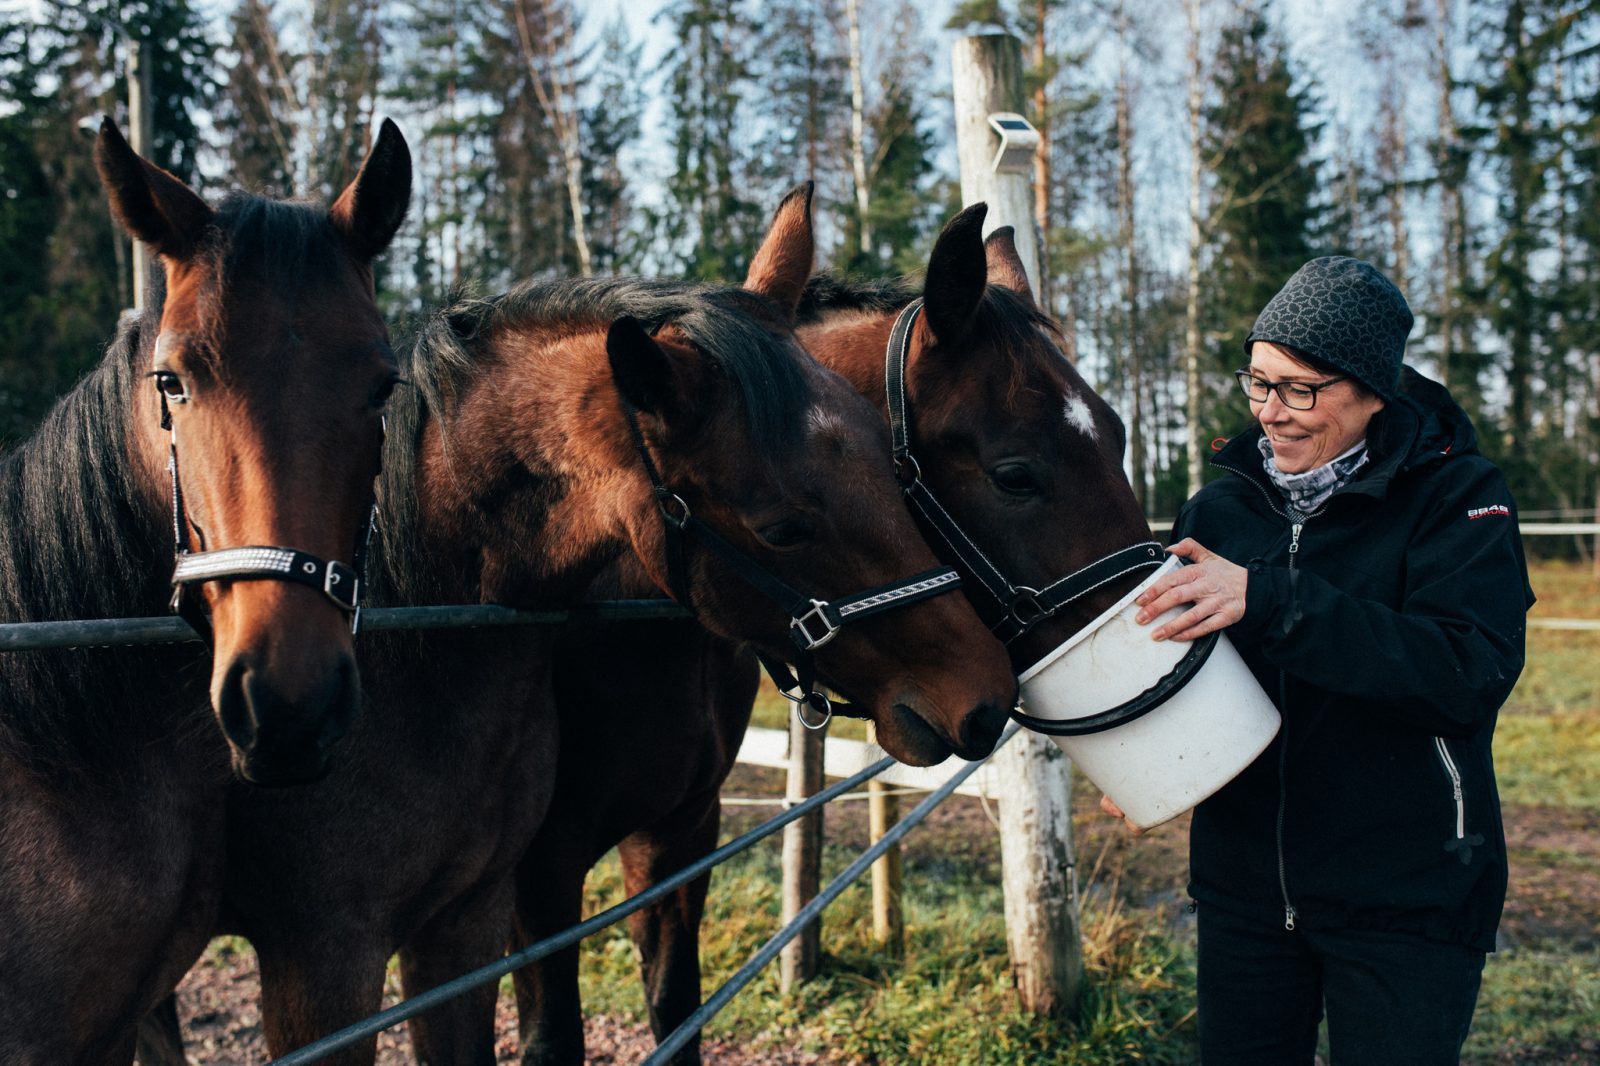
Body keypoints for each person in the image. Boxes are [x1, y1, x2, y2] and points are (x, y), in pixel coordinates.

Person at [1113, 256, 1534, 1065]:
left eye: (1300, 389)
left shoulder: (1457, 498)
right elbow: (1184, 665)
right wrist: (1142, 759)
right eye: (1259, 383)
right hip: (1243, 894)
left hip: (1408, 899)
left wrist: (1273, 599)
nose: (1271, 413)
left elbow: (1466, 673)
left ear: (1374, 391)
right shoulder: (1221, 506)